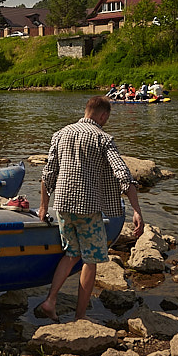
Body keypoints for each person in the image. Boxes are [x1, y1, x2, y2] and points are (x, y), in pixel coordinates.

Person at [35, 95, 144, 322]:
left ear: (86, 110)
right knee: (90, 260)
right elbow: (123, 175)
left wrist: (44, 206)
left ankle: (50, 300)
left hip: (62, 205)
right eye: (107, 118)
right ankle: (80, 317)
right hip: (87, 208)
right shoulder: (103, 138)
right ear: (103, 115)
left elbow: (47, 174)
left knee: (71, 253)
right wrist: (136, 210)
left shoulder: (60, 134)